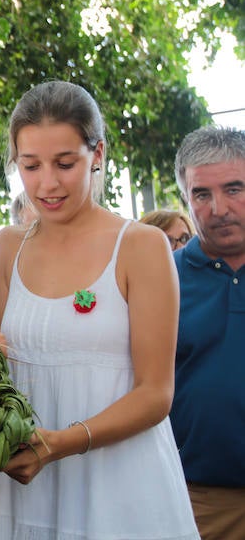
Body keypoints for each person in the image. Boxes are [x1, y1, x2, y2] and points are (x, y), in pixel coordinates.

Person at [0, 80, 198, 539]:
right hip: (27, 483)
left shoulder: (140, 245)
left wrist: (59, 445)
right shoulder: (8, 245)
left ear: (96, 154)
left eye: (65, 163)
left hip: (121, 481)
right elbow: (1, 369)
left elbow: (156, 393)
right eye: (30, 165)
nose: (47, 183)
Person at [170, 125, 245, 539]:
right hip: (200, 500)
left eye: (235, 189)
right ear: (186, 197)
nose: (219, 208)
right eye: (202, 194)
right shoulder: (161, 278)